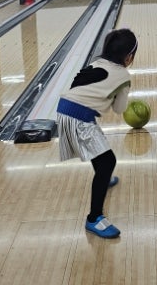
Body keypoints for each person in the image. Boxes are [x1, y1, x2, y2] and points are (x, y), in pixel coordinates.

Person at [56, 28, 138, 239]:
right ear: (129, 57)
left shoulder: (96, 63)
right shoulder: (123, 76)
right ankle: (94, 218)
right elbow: (119, 109)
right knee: (108, 162)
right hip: (79, 117)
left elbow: (77, 84)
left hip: (65, 108)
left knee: (100, 151)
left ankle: (104, 179)